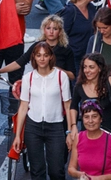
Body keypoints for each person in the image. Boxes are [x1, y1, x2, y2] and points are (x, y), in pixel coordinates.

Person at [12, 40, 71, 180]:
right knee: (37, 172)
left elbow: (68, 105)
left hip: (56, 126)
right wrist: (18, 135)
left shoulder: (61, 76)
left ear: (51, 56)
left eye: (45, 55)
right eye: (38, 55)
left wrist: (69, 131)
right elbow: (23, 107)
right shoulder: (28, 78)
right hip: (33, 127)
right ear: (34, 57)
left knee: (57, 171)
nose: (42, 58)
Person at [67, 99, 111, 180]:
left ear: (101, 119)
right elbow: (71, 168)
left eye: (94, 116)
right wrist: (80, 174)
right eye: (86, 117)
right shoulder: (78, 138)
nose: (90, 121)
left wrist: (100, 178)